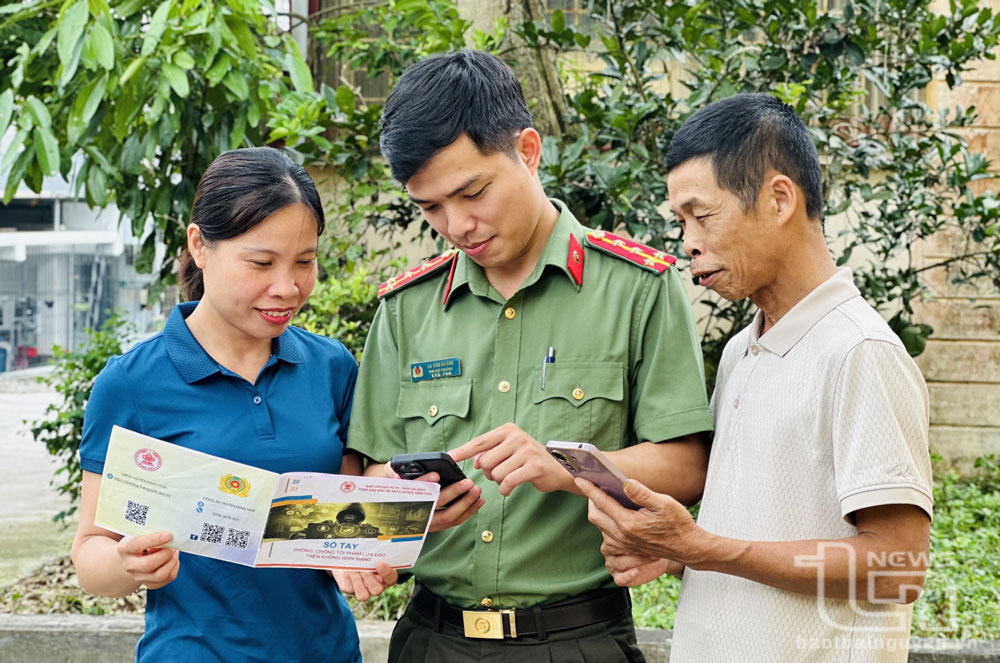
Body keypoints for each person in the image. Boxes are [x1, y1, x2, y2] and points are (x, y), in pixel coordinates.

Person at [345, 49, 714, 662]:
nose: (457, 224)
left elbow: (687, 465)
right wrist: (402, 513)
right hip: (431, 641)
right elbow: (366, 482)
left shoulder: (638, 289)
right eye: (431, 208)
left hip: (575, 640)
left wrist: (570, 467)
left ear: (529, 150)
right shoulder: (406, 310)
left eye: (472, 192)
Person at [577, 93, 934, 663]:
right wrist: (675, 553)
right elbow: (751, 528)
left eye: (702, 214)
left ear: (778, 198)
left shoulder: (860, 351)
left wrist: (704, 546)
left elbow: (898, 569)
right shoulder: (745, 350)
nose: (688, 241)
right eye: (681, 222)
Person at [71, 147, 394, 663]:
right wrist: (127, 564)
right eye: (261, 262)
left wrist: (362, 552)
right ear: (200, 245)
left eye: (305, 262)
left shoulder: (331, 367)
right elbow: (91, 554)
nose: (287, 287)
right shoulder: (132, 384)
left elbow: (344, 517)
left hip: (326, 652)